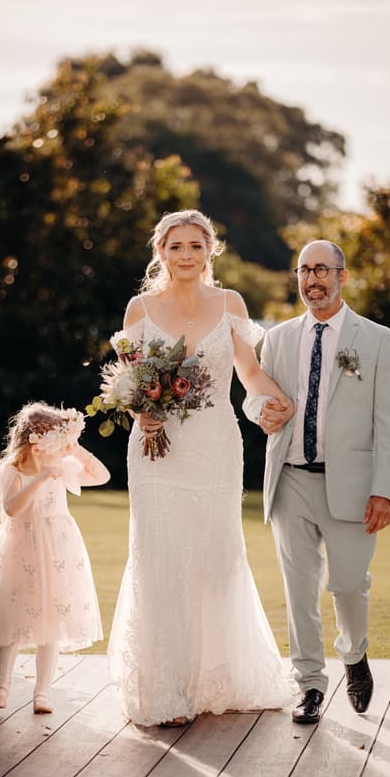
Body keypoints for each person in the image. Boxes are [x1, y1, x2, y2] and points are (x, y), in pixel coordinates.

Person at [108, 209, 295, 727]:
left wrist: (279, 403)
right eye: (175, 247)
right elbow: (127, 384)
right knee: (159, 554)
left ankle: (218, 678)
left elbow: (249, 372)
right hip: (156, 451)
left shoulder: (229, 304)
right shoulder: (139, 309)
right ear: (160, 252)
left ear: (210, 250)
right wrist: (140, 409)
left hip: (216, 445)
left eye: (195, 246)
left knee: (215, 558)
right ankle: (164, 689)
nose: (185, 255)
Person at [243, 240, 390, 724]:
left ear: (342, 275)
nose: (312, 279)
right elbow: (255, 396)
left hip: (353, 486)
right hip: (290, 480)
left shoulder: (376, 339)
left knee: (350, 586)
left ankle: (354, 655)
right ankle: (310, 684)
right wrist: (260, 413)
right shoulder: (278, 338)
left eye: (322, 270)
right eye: (304, 270)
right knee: (299, 589)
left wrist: (384, 490)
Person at [0, 402, 110, 714]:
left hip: (57, 548)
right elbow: (12, 509)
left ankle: (43, 692)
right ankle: (1, 685)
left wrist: (76, 448)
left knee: (51, 619)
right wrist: (42, 477)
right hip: (20, 547)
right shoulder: (13, 471)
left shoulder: (61, 468)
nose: (60, 449)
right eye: (56, 441)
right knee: (11, 613)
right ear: (35, 442)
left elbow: (101, 475)